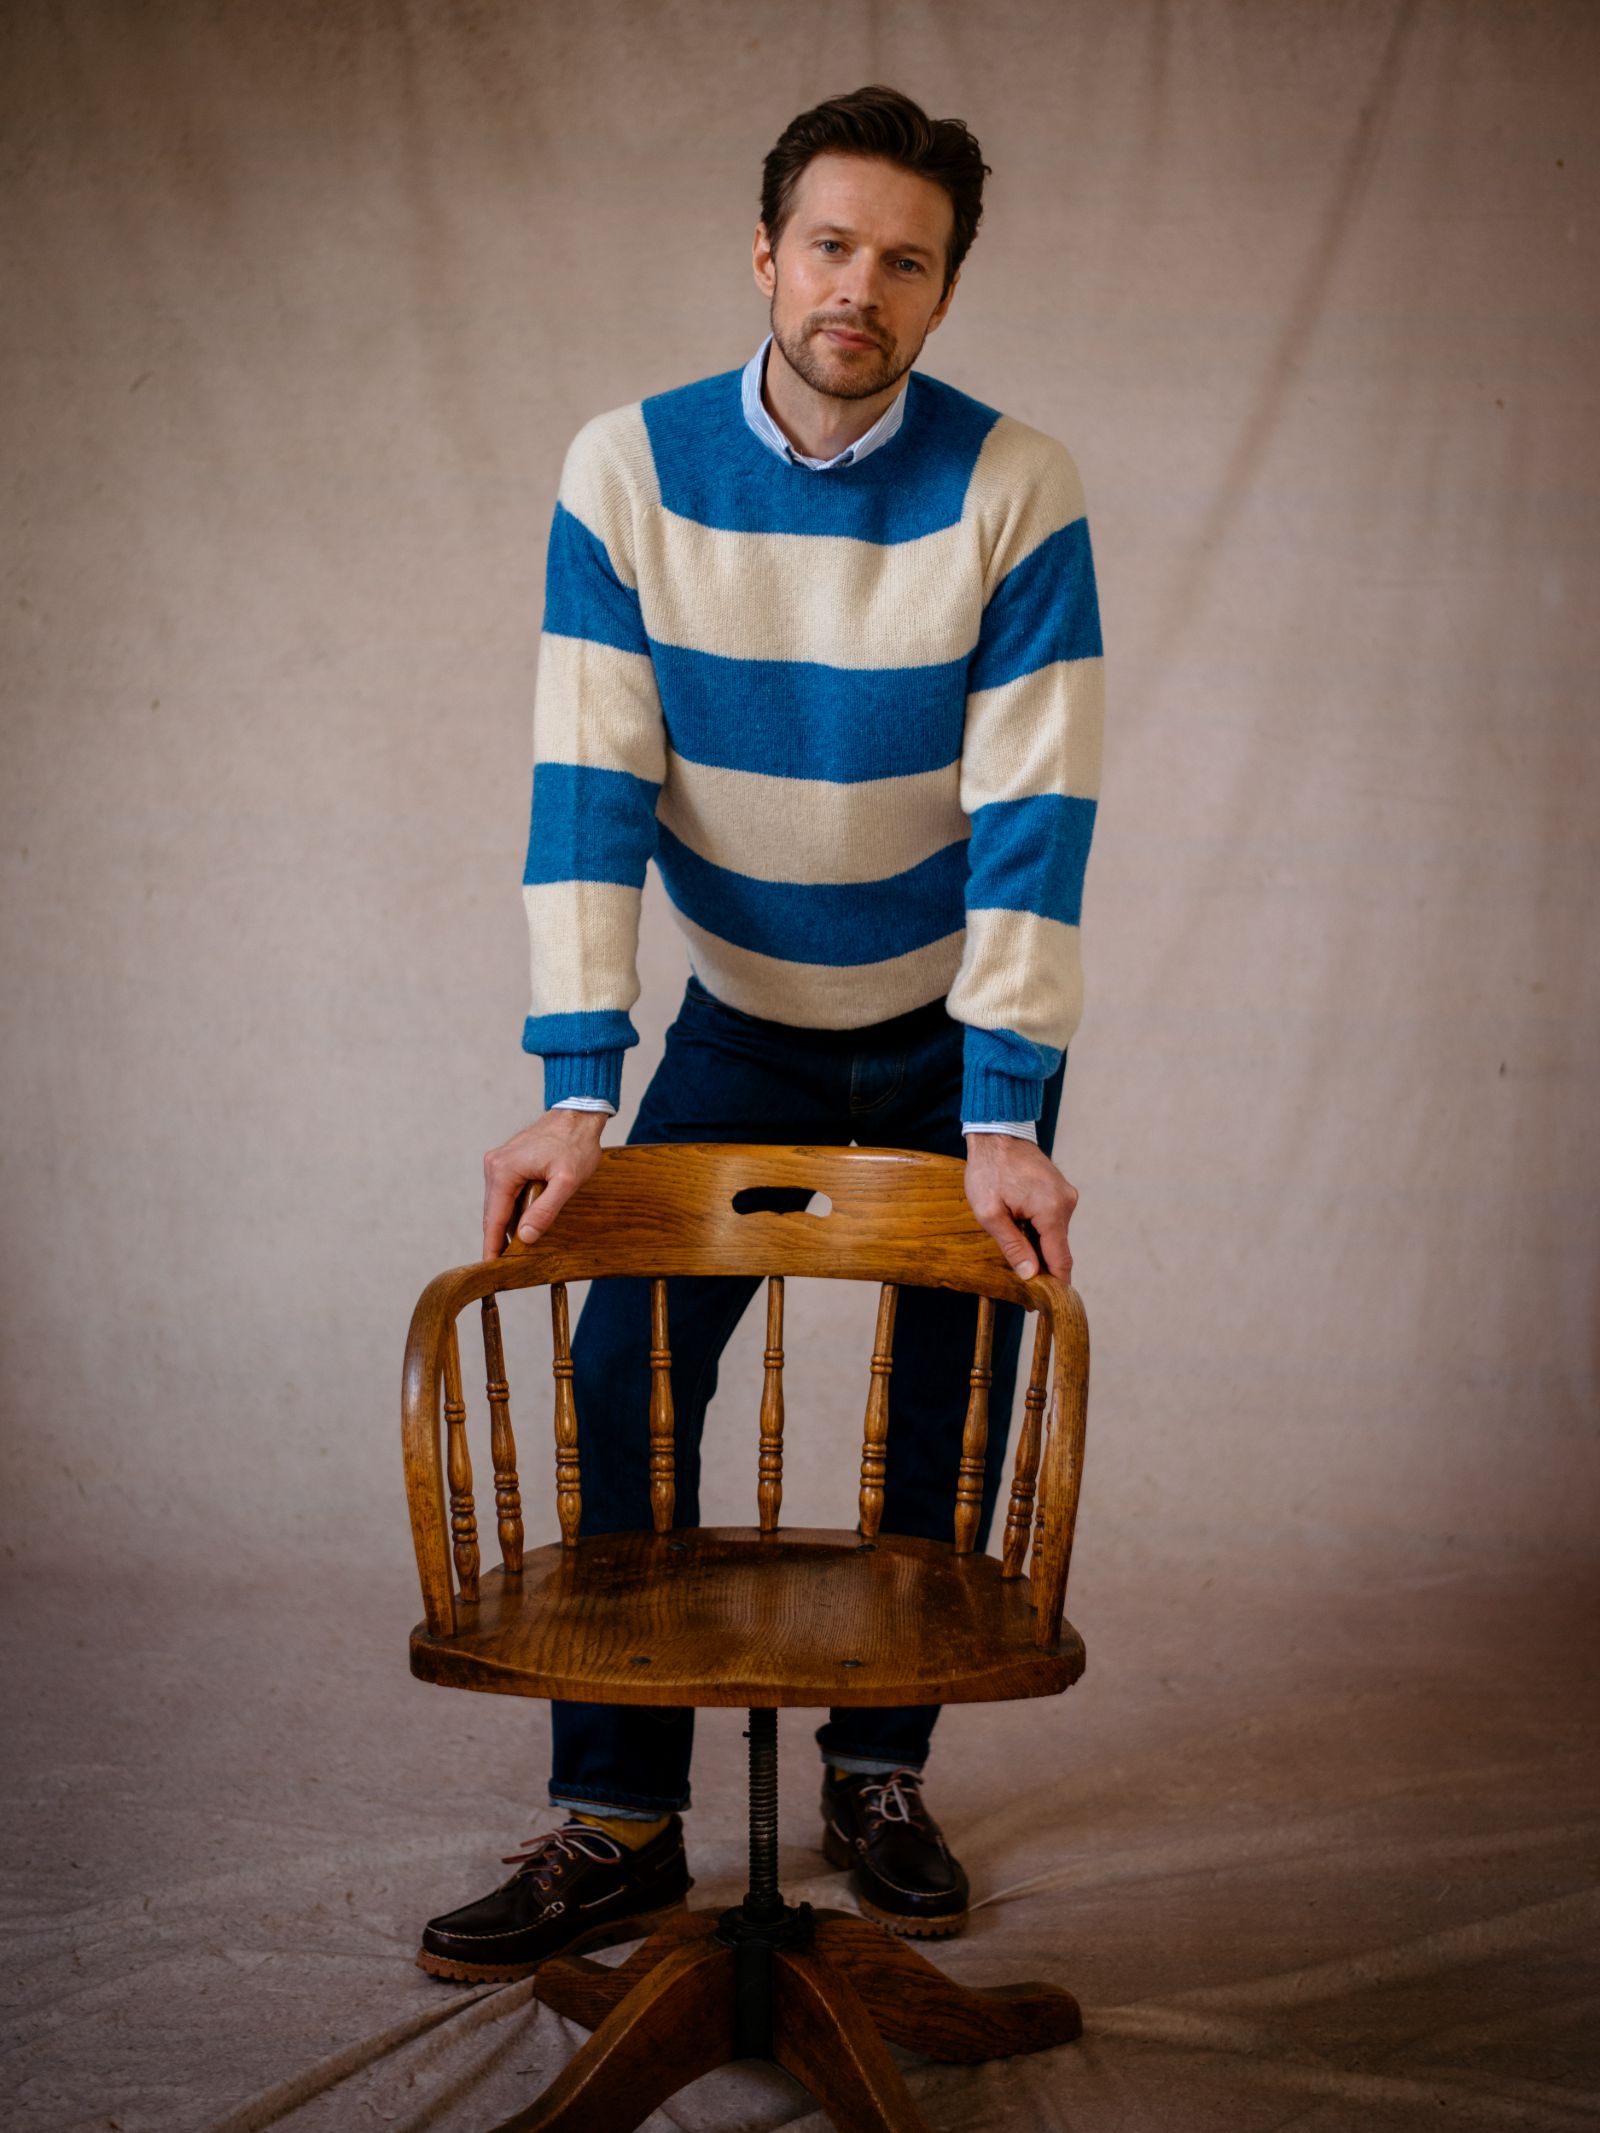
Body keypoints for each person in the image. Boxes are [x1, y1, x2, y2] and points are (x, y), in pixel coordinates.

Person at [418, 82, 1104, 1983]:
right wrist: (576, 1087)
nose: (858, 287)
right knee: (627, 1359)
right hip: (740, 1025)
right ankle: (620, 1819)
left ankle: (878, 1774)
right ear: (764, 254)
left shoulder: (1014, 483)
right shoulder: (622, 468)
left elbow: (1039, 810)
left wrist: (1008, 1104)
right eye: (830, 244)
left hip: (952, 1042)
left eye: (906, 259)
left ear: (944, 291)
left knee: (944, 1408)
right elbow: (589, 779)